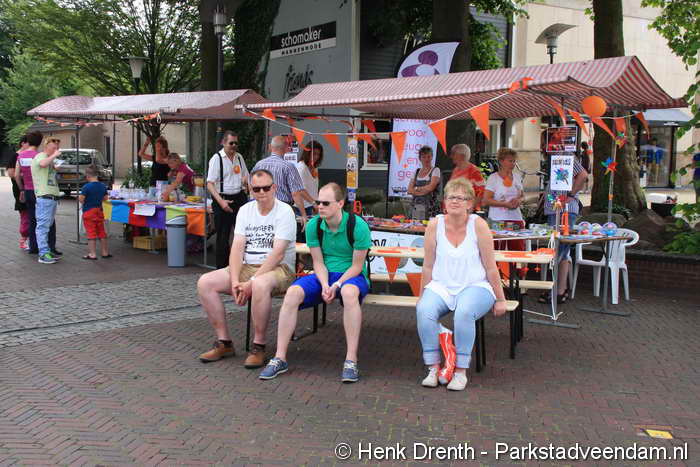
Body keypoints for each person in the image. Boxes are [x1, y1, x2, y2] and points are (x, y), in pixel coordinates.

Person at [260, 183, 371, 383]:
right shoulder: (313, 225)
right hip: (324, 274)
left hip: (351, 275)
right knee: (293, 293)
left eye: (325, 203)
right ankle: (280, 357)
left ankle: (351, 359)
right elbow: (318, 262)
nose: (319, 206)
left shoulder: (358, 226)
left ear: (340, 203)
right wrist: (326, 284)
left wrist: (337, 285)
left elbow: (356, 266)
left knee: (348, 293)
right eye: (318, 202)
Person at [197, 169, 297, 368]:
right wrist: (235, 282)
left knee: (259, 284)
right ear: (250, 190)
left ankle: (259, 345)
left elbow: (277, 254)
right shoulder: (245, 210)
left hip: (279, 268)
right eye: (256, 189)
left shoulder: (285, 211)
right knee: (205, 282)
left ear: (274, 188)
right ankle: (224, 342)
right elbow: (237, 248)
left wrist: (250, 282)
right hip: (248, 266)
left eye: (266, 188)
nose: (261, 192)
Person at [416, 178, 507, 391]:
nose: (455, 201)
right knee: (424, 309)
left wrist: (501, 299)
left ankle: (459, 371)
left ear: (470, 203)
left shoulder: (479, 225)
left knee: (464, 313)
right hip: (442, 285)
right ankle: (433, 368)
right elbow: (428, 266)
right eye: (450, 197)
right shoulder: (435, 225)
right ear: (444, 202)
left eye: (460, 197)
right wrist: (421, 297)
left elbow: (491, 267)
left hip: (475, 285)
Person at [539, 156, 588, 304]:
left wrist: (571, 195)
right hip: (555, 208)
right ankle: (560, 289)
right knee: (563, 251)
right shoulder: (556, 157)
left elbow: (583, 174)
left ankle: (555, 288)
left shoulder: (565, 155)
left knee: (559, 249)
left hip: (562, 210)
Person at [206, 131, 250, 269]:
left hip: (239, 197)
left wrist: (246, 183)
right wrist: (221, 202)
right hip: (222, 198)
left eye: (236, 143)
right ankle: (222, 269)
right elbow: (210, 184)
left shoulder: (239, 157)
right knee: (223, 236)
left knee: (243, 234)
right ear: (223, 143)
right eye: (231, 143)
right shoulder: (217, 159)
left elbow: (246, 176)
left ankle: (241, 266)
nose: (234, 145)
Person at [252, 135, 314, 229]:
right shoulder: (288, 167)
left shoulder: (259, 164)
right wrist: (303, 215)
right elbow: (296, 193)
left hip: (261, 207)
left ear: (270, 147)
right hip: (283, 208)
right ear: (286, 148)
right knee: (282, 234)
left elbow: (251, 186)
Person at [482, 148, 525, 250]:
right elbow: (486, 200)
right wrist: (505, 204)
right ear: (501, 161)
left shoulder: (517, 177)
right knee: (496, 250)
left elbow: (523, 196)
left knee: (517, 250)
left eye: (514, 161)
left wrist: (519, 201)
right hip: (497, 219)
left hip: (515, 218)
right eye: (510, 161)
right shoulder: (493, 178)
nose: (513, 164)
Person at [31, 137, 63, 264]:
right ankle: (43, 254)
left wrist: (55, 167)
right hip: (45, 197)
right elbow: (42, 164)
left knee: (47, 225)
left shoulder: (49, 159)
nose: (56, 150)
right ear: (46, 146)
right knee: (43, 226)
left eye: (57, 147)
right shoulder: (41, 156)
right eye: (54, 147)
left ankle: (46, 251)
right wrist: (54, 156)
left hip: (51, 197)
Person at [14, 131, 46, 255]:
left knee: (32, 219)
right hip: (40, 191)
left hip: (27, 190)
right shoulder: (39, 156)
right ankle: (43, 246)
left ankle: (33, 246)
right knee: (42, 220)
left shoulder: (21, 156)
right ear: (40, 142)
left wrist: (22, 189)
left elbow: (17, 175)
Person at [79, 166, 110, 260]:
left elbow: (81, 200)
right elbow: (105, 198)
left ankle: (92, 254)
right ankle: (105, 252)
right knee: (102, 232)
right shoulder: (102, 186)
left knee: (91, 233)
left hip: (89, 211)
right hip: (99, 211)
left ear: (88, 176)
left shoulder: (86, 187)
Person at [7, 136, 30, 250]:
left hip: (30, 188)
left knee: (31, 214)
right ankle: (23, 240)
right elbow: (11, 173)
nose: (31, 147)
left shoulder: (30, 155)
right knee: (25, 214)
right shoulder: (15, 156)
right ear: (22, 143)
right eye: (29, 144)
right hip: (20, 189)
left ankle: (31, 239)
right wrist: (26, 174)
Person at [407, 145, 441, 220]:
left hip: (431, 207)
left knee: (429, 226)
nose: (426, 159)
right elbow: (409, 190)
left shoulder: (436, 170)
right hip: (417, 206)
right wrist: (424, 191)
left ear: (432, 157)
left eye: (429, 156)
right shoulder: (416, 171)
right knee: (416, 225)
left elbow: (431, 187)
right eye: (424, 157)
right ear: (420, 158)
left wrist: (416, 188)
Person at [295, 141, 324, 217]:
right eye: (314, 154)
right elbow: (300, 189)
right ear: (307, 153)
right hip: (302, 207)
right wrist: (313, 203)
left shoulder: (314, 167)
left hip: (313, 206)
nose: (316, 157)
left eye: (318, 154)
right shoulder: (301, 167)